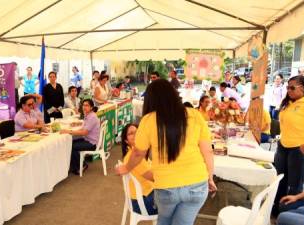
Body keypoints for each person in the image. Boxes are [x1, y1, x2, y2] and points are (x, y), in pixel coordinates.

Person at [116, 79, 217, 225]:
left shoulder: (148, 120)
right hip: (197, 183)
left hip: (166, 186)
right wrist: (210, 177)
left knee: (164, 220)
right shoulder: (195, 115)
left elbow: (138, 153)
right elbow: (208, 151)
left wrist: (126, 167)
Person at [272, 75, 304, 217]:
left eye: (292, 87)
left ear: (303, 88)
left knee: (294, 184)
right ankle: (276, 209)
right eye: (287, 87)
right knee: (279, 180)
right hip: (283, 146)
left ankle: (289, 215)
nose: (288, 90)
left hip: (300, 150)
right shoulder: (289, 102)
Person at [121, 123, 157, 215]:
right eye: (131, 133)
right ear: (126, 141)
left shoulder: (137, 152)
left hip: (143, 197)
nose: (136, 134)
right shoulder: (135, 157)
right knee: (177, 203)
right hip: (143, 202)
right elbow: (154, 178)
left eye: (137, 132)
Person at [60, 99, 100, 175]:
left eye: (87, 105)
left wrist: (69, 131)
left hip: (91, 143)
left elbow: (84, 132)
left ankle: (82, 165)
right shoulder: (88, 115)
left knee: (71, 146)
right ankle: (75, 165)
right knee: (70, 142)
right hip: (88, 139)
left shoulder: (92, 117)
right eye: (83, 105)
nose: (84, 107)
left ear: (91, 107)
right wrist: (76, 125)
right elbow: (84, 127)